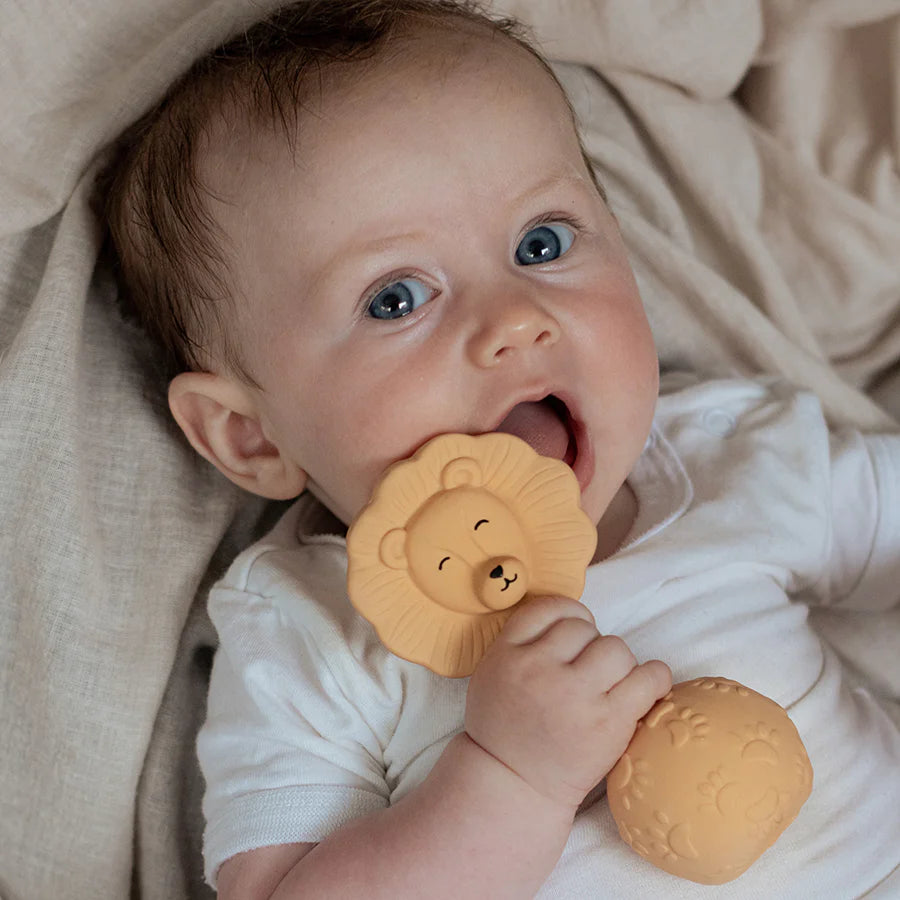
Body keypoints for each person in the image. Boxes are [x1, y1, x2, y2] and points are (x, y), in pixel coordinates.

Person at [97, 0, 900, 896]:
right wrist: (508, 776)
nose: (514, 320)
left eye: (542, 242)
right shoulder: (313, 631)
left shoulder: (724, 459)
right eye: (396, 299)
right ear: (252, 435)